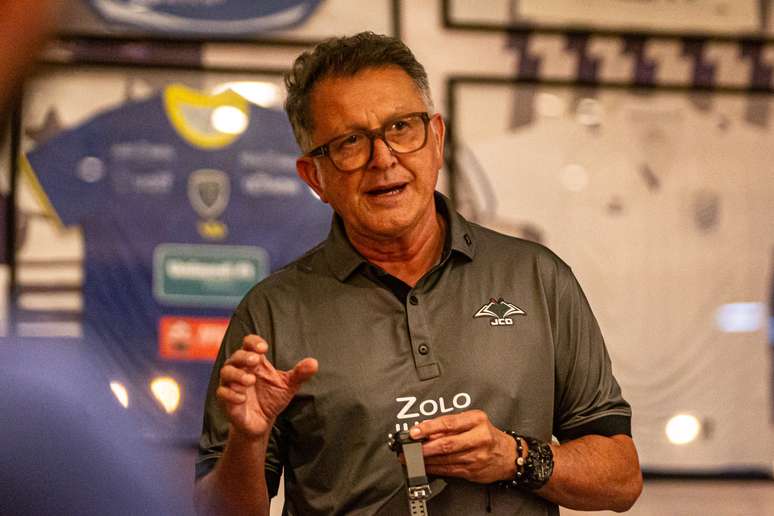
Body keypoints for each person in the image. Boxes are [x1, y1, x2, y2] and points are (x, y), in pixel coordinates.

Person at [195, 32, 642, 515]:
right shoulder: (272, 313)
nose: (383, 158)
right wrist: (248, 440)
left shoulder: (537, 277)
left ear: (437, 138)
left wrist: (513, 457)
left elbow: (620, 479)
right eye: (350, 142)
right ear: (314, 177)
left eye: (402, 127)